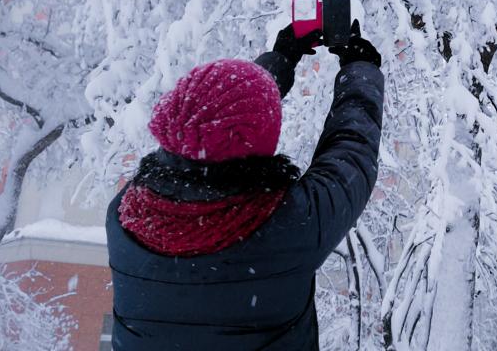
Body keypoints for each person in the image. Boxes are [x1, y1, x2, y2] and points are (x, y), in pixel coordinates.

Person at [105, 20, 384, 350]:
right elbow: (351, 150)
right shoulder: (292, 225)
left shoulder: (126, 216)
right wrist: (359, 68)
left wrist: (279, 61)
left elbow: (204, 126)